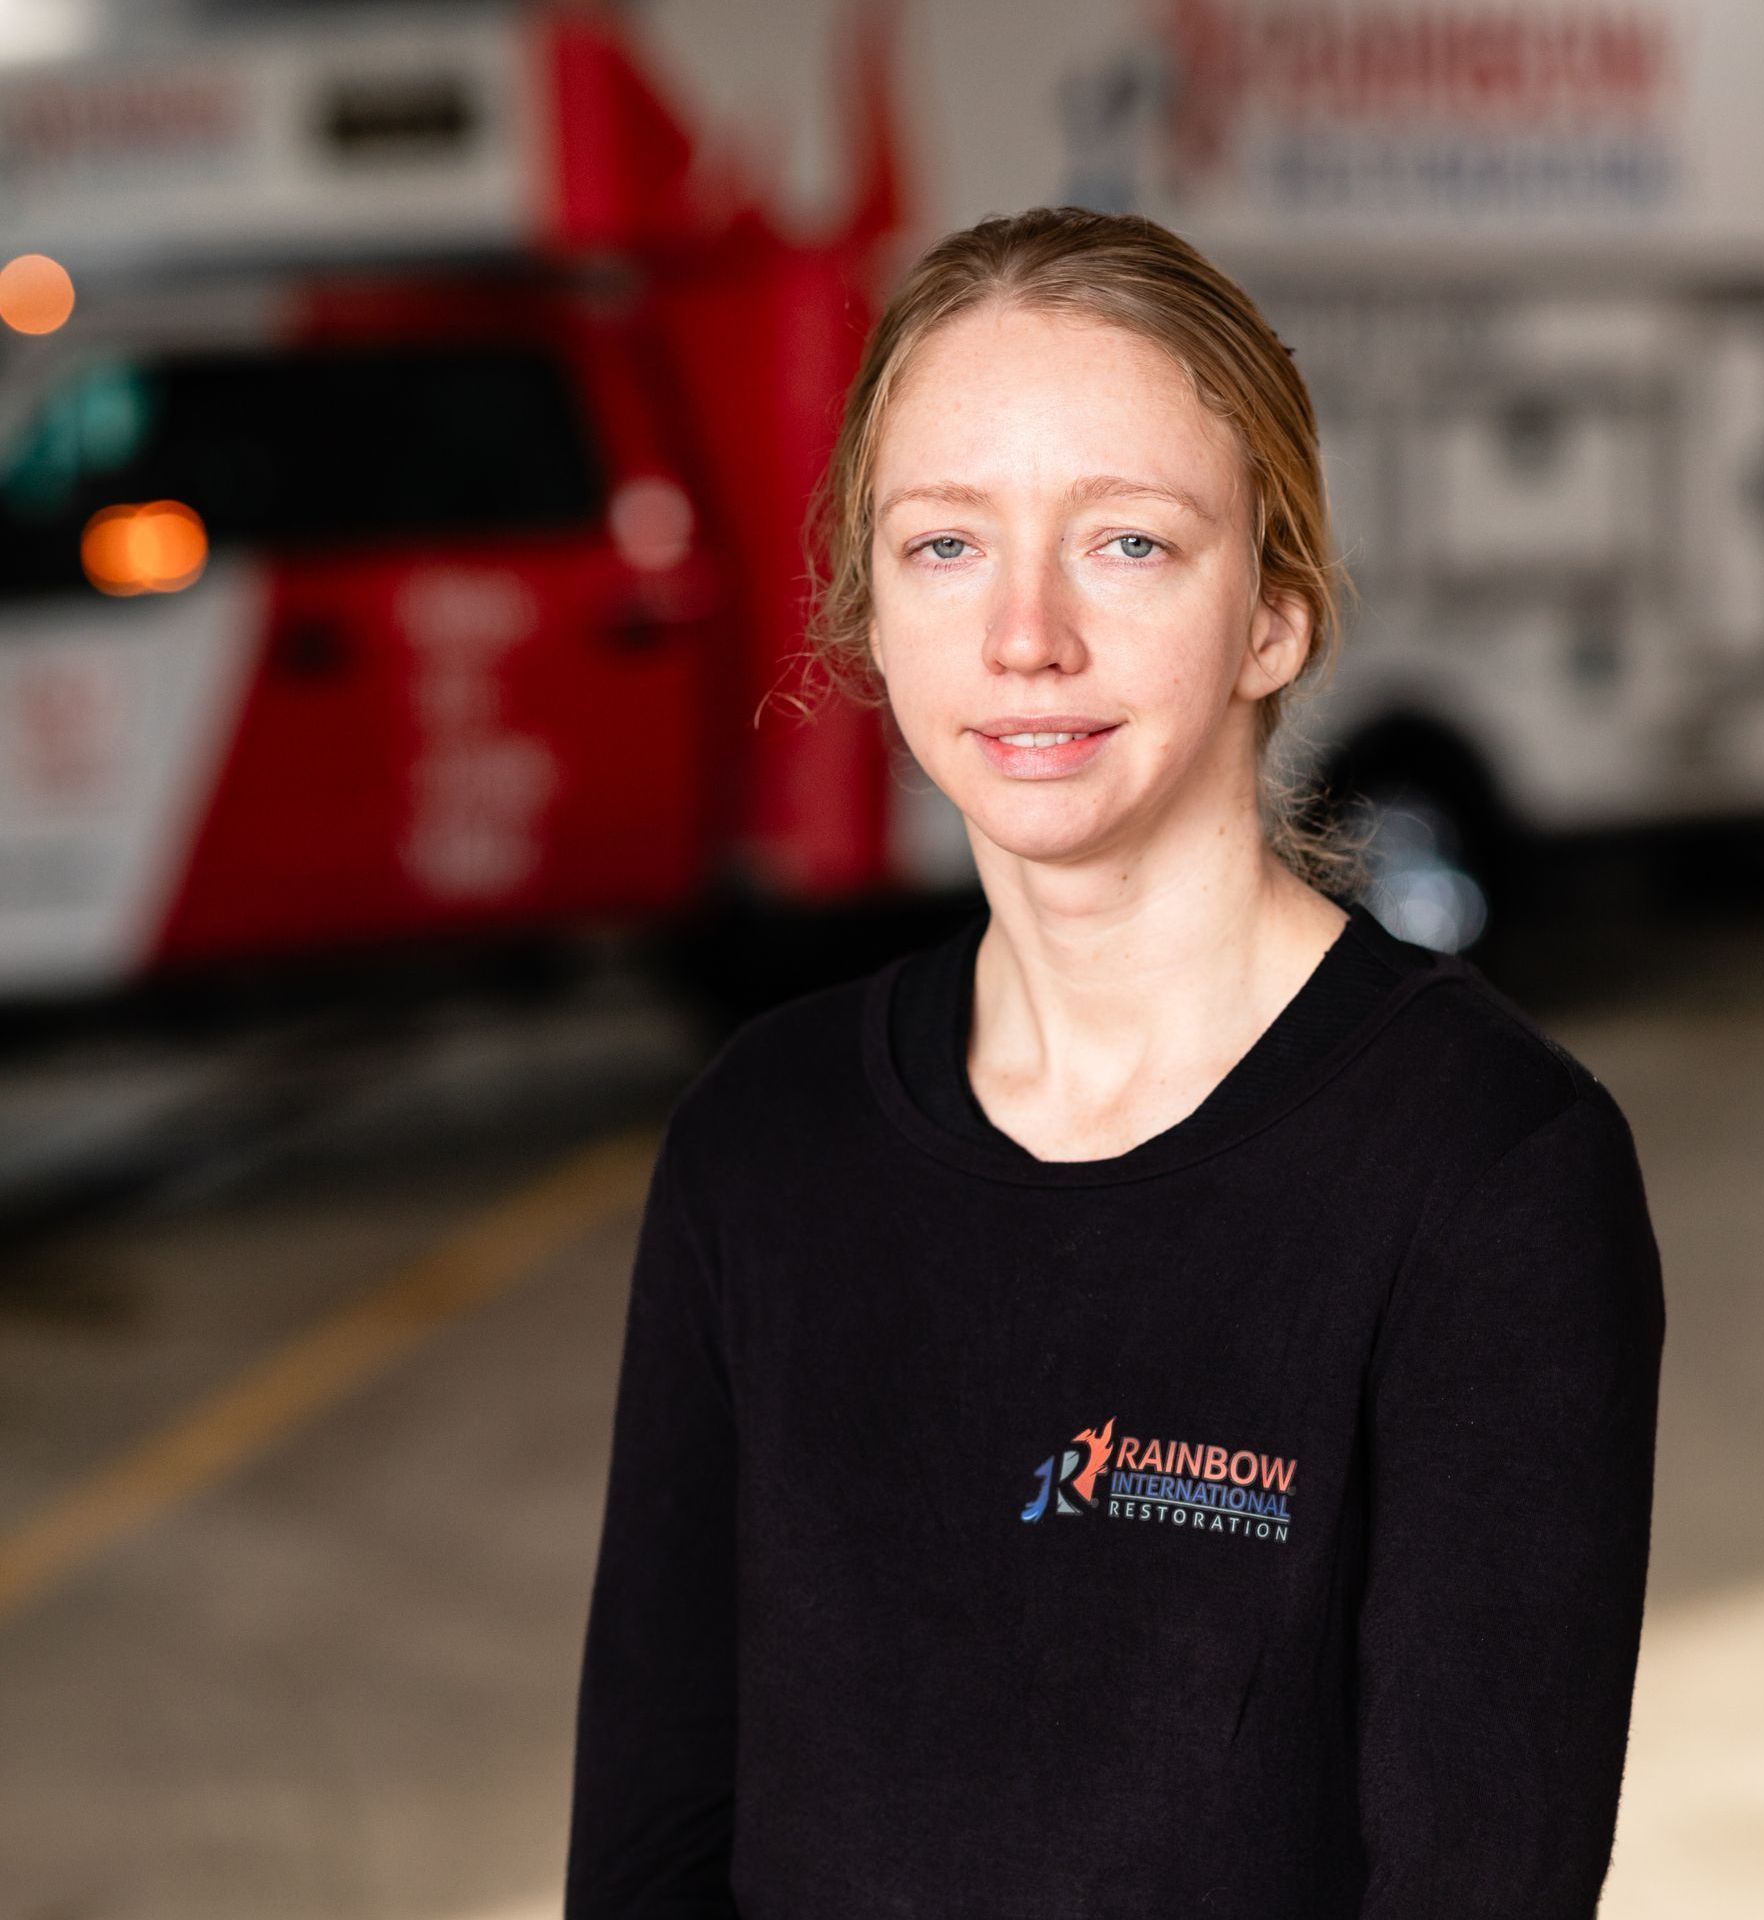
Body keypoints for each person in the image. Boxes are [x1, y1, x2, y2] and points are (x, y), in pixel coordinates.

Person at [563, 206, 1665, 1920]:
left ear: (1276, 618)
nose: (1025, 636)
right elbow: (648, 1849)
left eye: (1128, 544)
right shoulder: (758, 1146)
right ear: (867, 611)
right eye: (944, 545)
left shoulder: (1490, 1171)